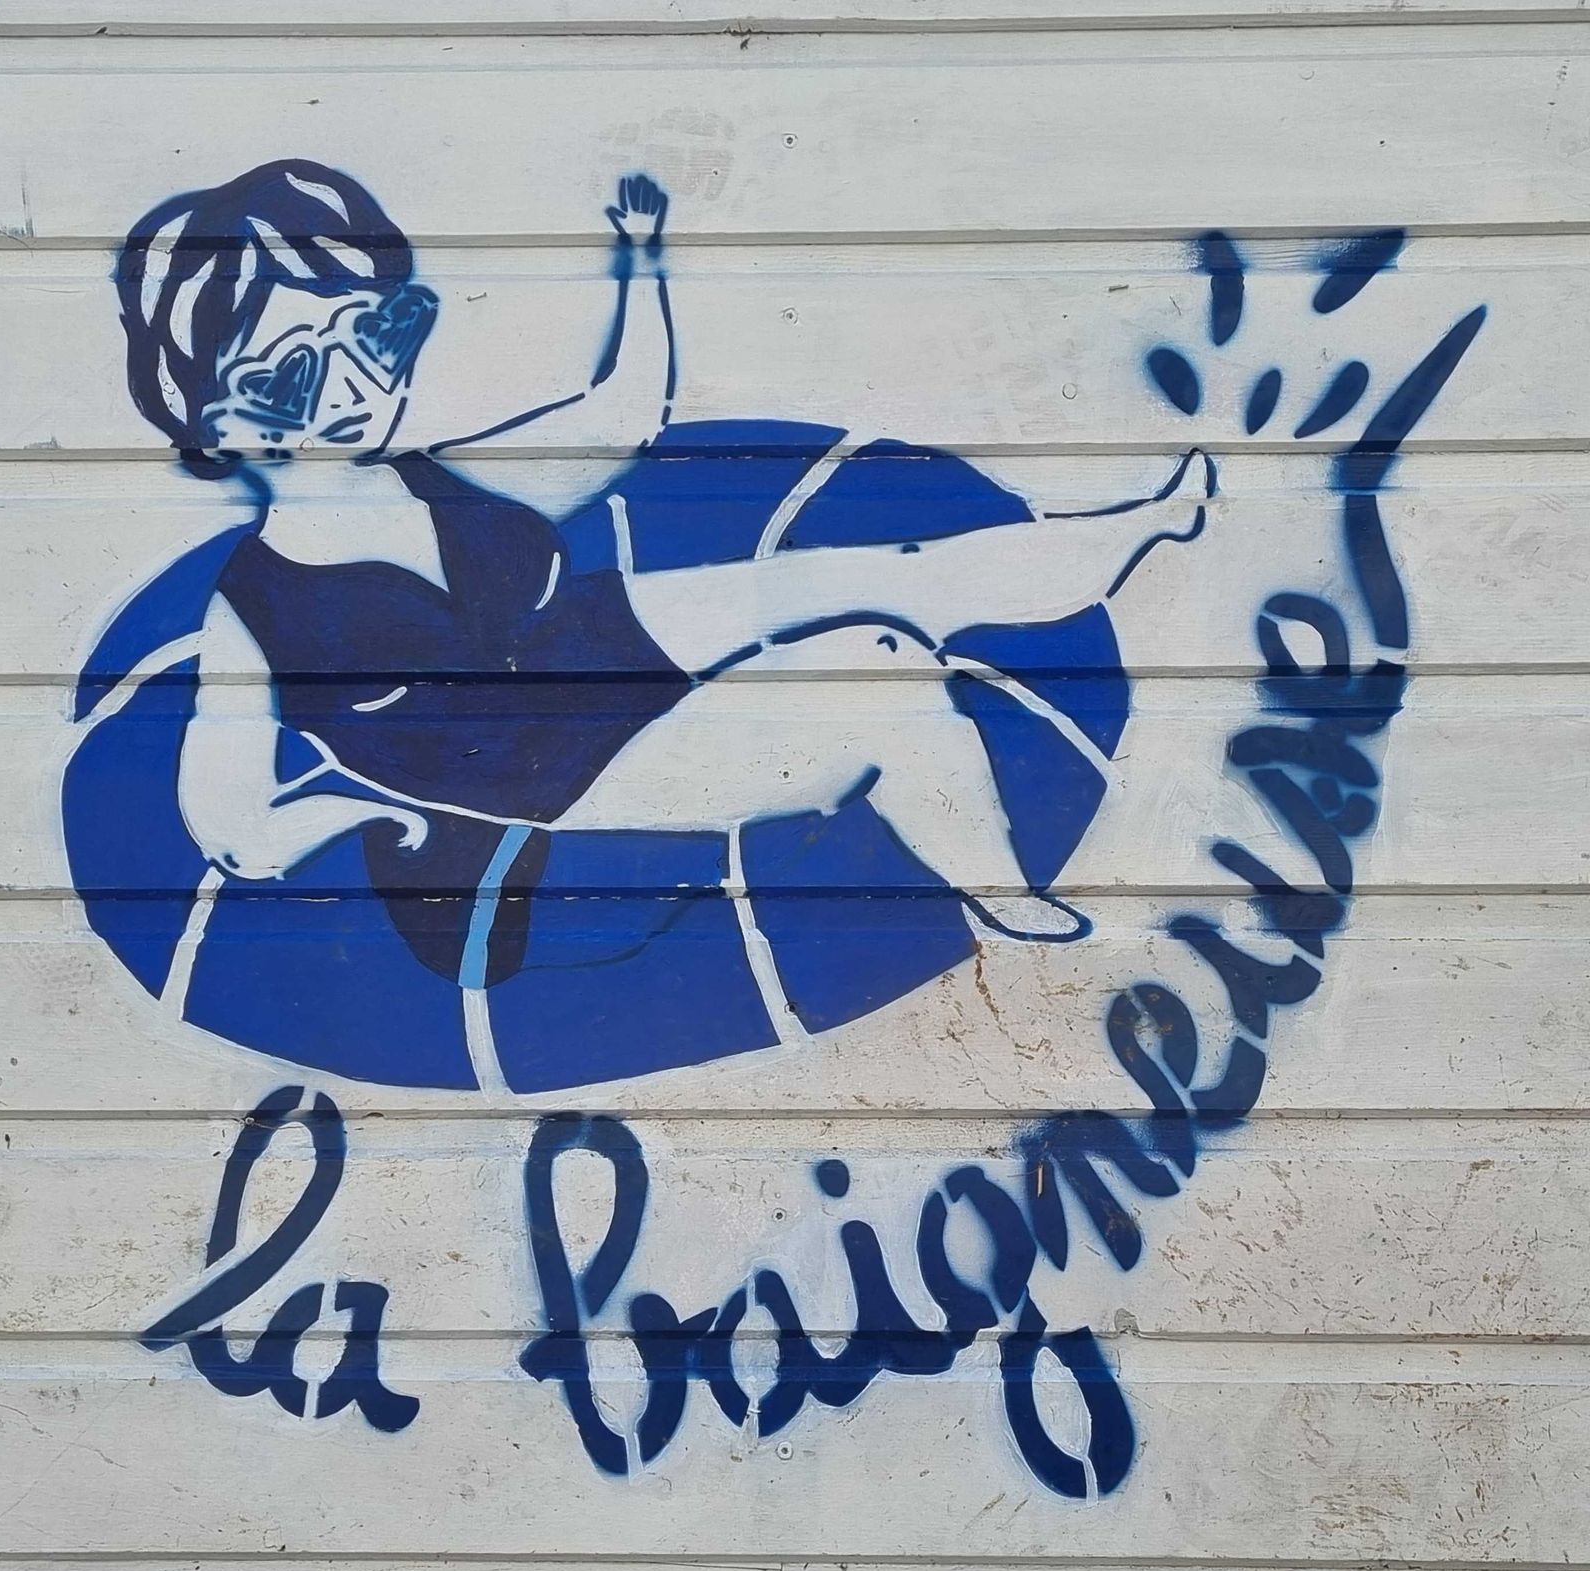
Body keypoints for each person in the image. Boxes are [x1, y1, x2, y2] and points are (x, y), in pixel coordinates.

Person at [116, 159, 1213, 990]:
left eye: (375, 333)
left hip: (580, 653)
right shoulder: (254, 607)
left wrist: (640, 263)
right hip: (539, 776)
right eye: (293, 372)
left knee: (883, 571)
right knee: (876, 668)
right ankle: (1003, 893)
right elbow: (229, 820)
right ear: (209, 416)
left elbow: (619, 418)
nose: (353, 384)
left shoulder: (435, 476)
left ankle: (1130, 533)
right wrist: (344, 809)